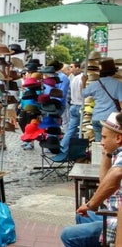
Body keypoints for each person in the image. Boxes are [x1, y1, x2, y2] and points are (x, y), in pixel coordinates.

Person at [61, 112, 122, 246]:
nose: (102, 141)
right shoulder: (117, 154)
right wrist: (106, 154)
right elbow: (104, 181)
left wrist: (91, 204)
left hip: (117, 219)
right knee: (81, 216)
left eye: (105, 137)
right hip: (113, 212)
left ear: (118, 138)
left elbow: (116, 174)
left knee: (68, 235)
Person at [82, 58, 122, 141]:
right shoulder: (118, 84)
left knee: (98, 144)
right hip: (110, 119)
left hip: (97, 117)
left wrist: (83, 82)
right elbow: (121, 103)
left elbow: (83, 94)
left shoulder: (95, 84)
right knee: (109, 143)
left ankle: (98, 154)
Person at [61, 61, 85, 153]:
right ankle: (78, 151)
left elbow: (69, 94)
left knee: (71, 130)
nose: (71, 69)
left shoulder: (74, 79)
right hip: (80, 106)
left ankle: (63, 147)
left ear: (79, 68)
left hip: (73, 105)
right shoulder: (82, 79)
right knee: (81, 130)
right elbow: (84, 93)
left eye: (72, 67)